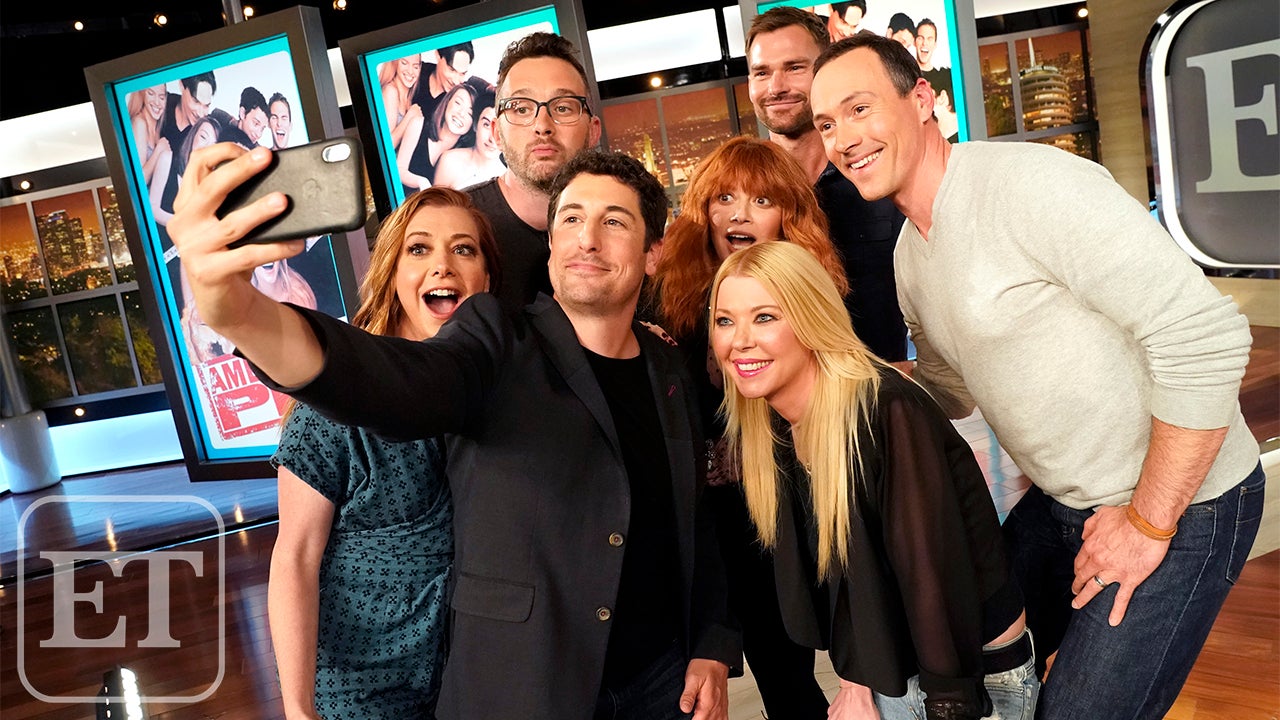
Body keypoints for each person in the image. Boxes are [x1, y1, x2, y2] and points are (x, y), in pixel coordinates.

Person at [168, 145, 739, 719]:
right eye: (571, 218)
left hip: (660, 685)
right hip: (525, 693)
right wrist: (237, 311)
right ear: (550, 246)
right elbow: (392, 381)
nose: (587, 239)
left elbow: (694, 519)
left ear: (653, 253)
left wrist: (712, 642)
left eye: (613, 222)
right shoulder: (497, 342)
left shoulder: (668, 367)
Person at [810, 34, 1263, 720]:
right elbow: (949, 388)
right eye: (826, 124)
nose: (844, 138)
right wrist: (826, 380)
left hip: (1185, 502)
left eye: (859, 108)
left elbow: (1205, 338)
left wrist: (1147, 522)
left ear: (922, 99)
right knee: (953, 655)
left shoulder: (1030, 186)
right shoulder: (911, 256)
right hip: (1064, 503)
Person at [710, 241, 1036, 720]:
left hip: (967, 679)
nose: (739, 340)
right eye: (724, 320)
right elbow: (849, 570)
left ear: (811, 319)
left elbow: (932, 579)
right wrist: (856, 678)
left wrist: (945, 705)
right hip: (899, 664)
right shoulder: (778, 424)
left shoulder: (886, 410)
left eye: (764, 317)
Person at [268, 187, 501, 719]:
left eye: (463, 249)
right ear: (393, 272)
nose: (443, 265)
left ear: (486, 280)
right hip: (357, 683)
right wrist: (299, 710)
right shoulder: (338, 399)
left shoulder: (500, 389)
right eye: (419, 249)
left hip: (463, 669)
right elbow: (295, 557)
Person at [650, 136, 847, 718]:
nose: (739, 214)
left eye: (761, 200)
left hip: (802, 506)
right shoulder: (668, 301)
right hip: (717, 523)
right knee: (771, 675)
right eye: (724, 198)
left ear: (788, 215)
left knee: (838, 660)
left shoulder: (813, 294)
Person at [746, 6, 907, 364]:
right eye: (762, 72)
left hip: (883, 390)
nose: (776, 87)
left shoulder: (877, 179)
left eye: (794, 67)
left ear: (824, 73)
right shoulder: (737, 199)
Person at [465, 32, 602, 315]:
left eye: (562, 108)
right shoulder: (460, 225)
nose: (542, 126)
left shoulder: (622, 226)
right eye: (521, 108)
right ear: (496, 133)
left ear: (593, 131)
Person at [397, 83, 476, 196]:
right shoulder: (418, 124)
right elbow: (399, 169)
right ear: (447, 102)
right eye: (458, 103)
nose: (461, 114)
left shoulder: (460, 158)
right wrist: (421, 181)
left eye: (469, 113)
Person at [434, 84, 506, 190]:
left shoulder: (507, 180)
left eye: (501, 130)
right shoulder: (450, 161)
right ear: (475, 125)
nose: (492, 139)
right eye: (486, 125)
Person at [411, 43, 474, 121]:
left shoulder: (461, 96)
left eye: (462, 73)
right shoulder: (414, 73)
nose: (456, 81)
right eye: (451, 70)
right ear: (438, 55)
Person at [160, 72, 216, 152]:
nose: (200, 114)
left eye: (206, 106)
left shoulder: (206, 128)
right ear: (182, 86)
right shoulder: (161, 104)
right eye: (196, 101)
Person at [128, 84, 169, 185]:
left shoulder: (158, 128)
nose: (157, 102)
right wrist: (158, 150)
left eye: (162, 97)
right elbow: (140, 180)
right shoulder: (139, 123)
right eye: (151, 94)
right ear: (142, 94)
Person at [379, 56, 423, 151]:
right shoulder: (390, 91)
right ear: (395, 63)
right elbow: (388, 145)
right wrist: (409, 116)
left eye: (416, 67)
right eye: (404, 63)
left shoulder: (410, 97)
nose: (410, 71)